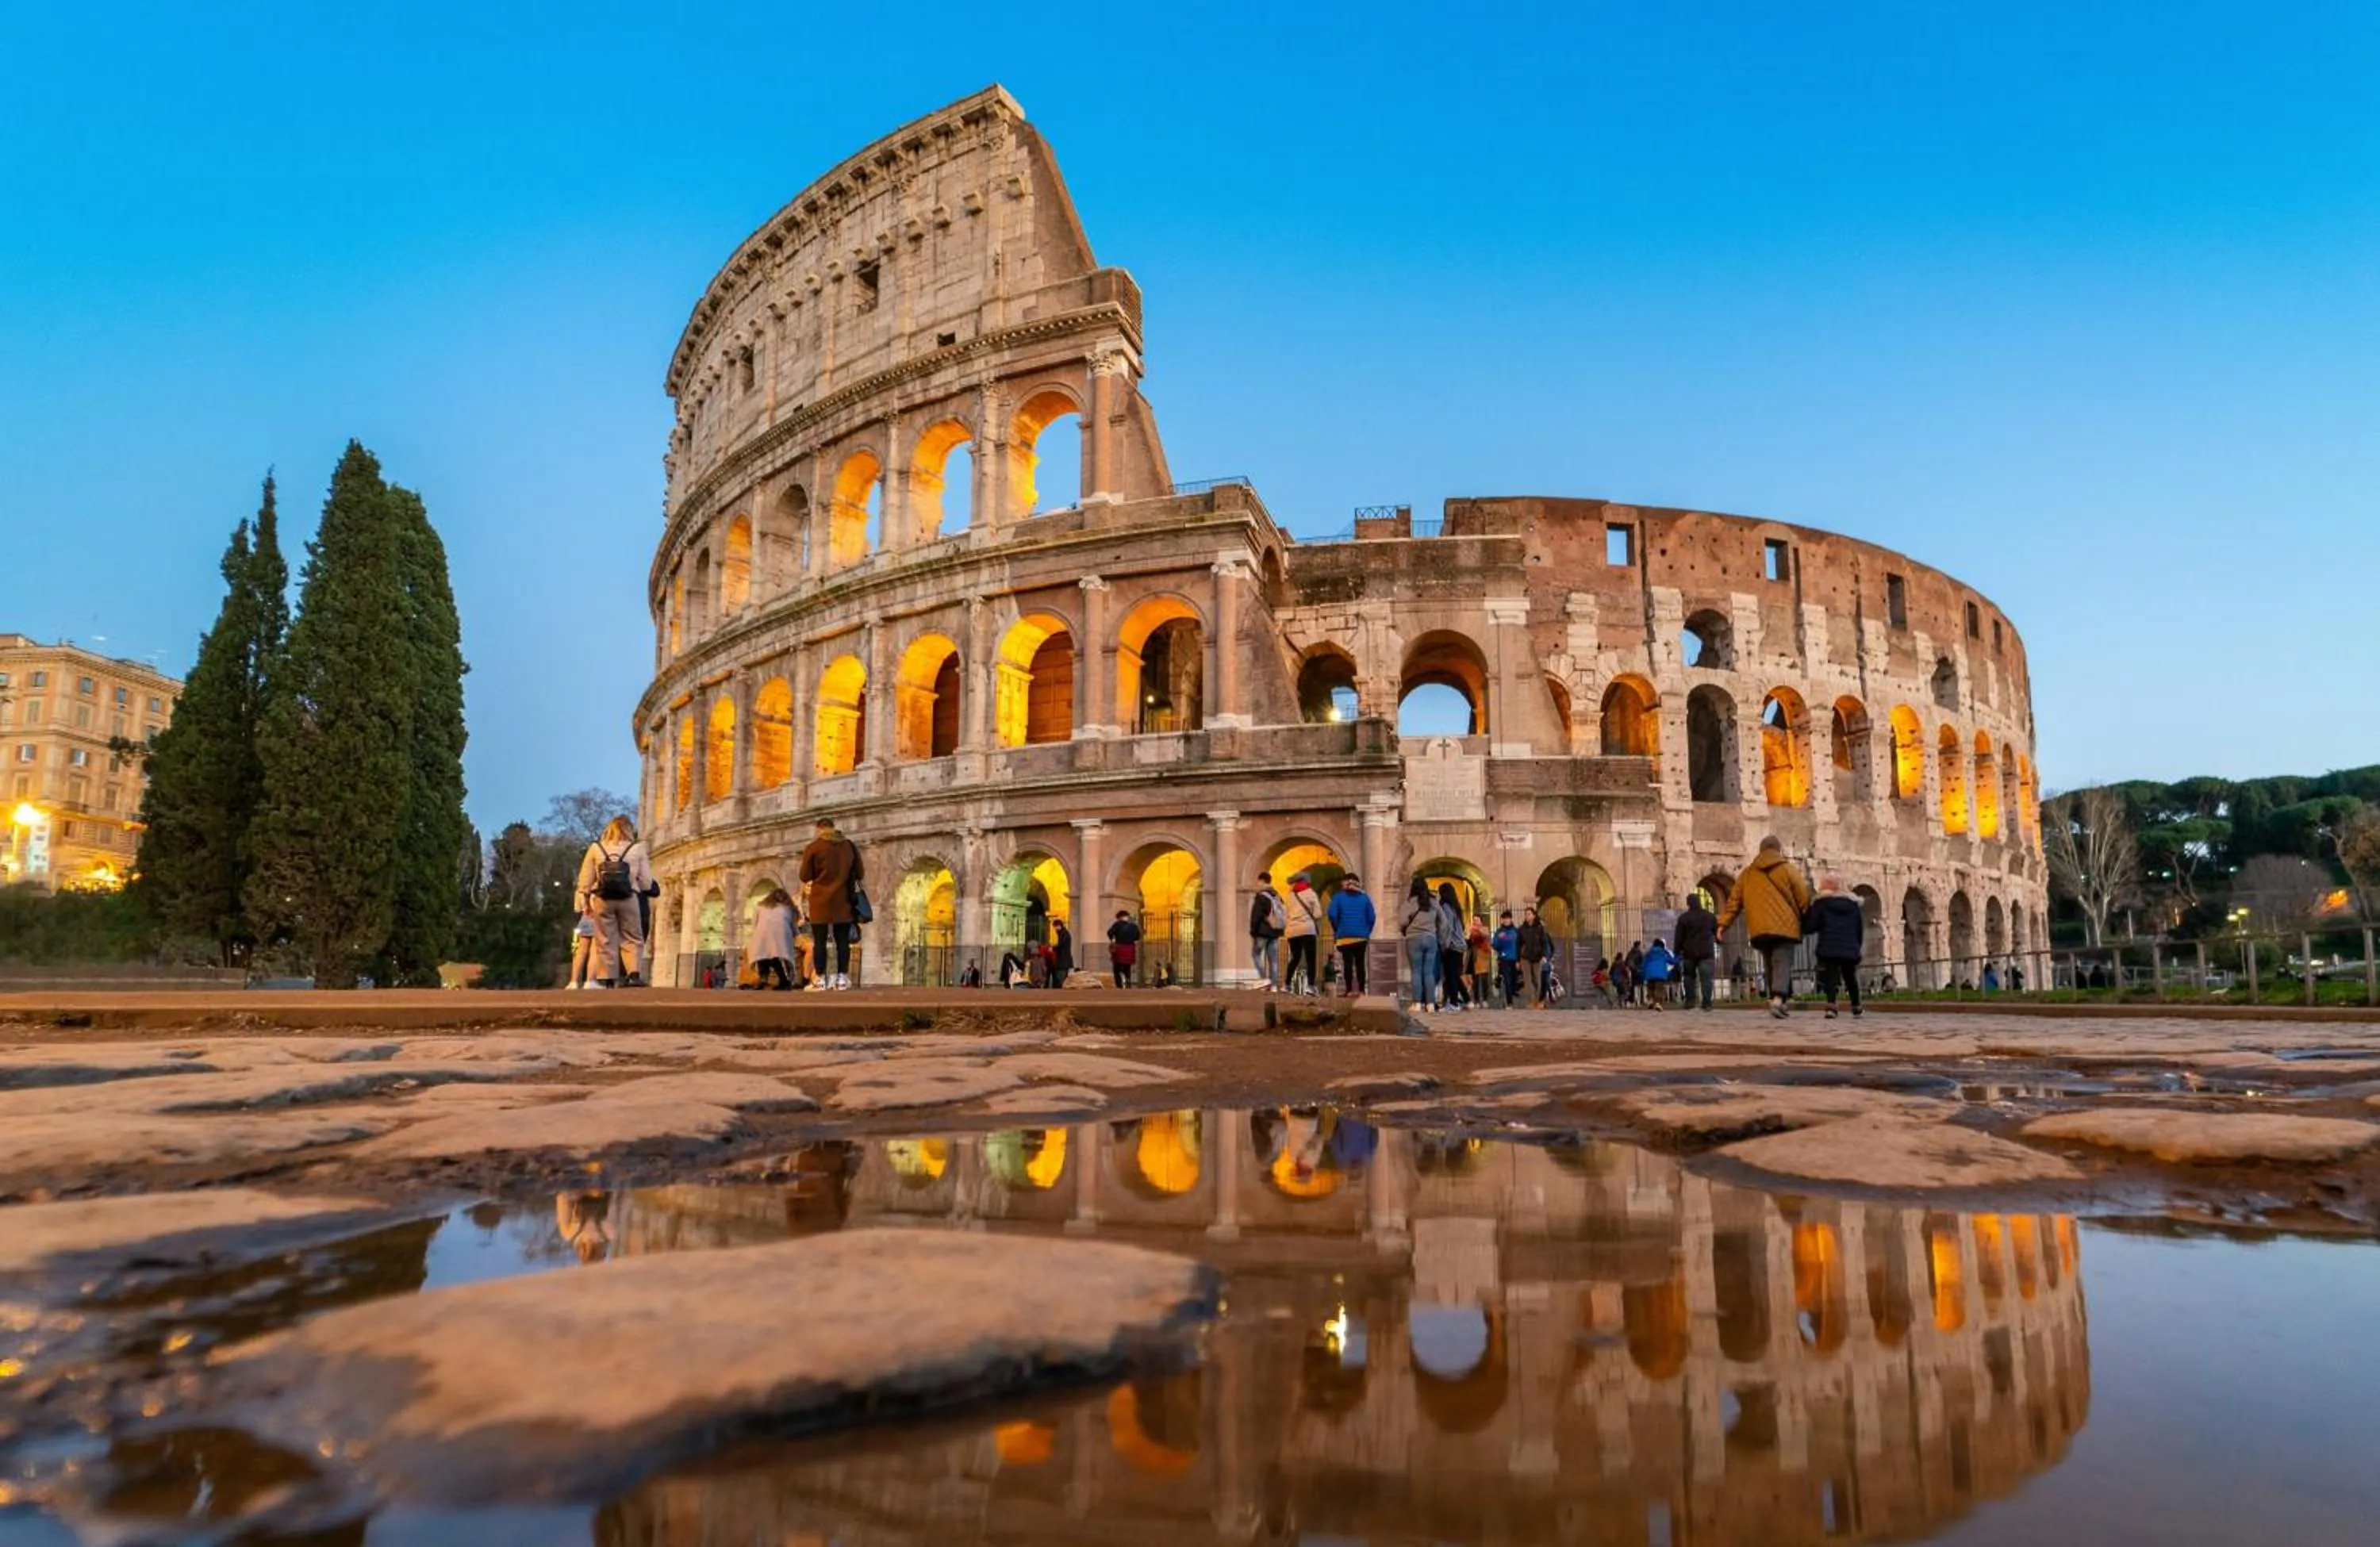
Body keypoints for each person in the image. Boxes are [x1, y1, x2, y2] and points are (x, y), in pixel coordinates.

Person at [1716, 835, 1815, 1019]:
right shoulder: (1787, 869)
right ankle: (1778, 998)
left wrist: (1723, 925)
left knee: (1770, 962)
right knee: (1782, 960)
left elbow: (1734, 902)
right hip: (1785, 927)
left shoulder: (1747, 874)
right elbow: (1803, 895)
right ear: (1779, 850)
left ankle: (1774, 998)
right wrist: (1806, 913)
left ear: (1760, 851)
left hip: (1759, 929)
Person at [576, 816, 654, 989]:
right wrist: (638, 886)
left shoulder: (596, 848)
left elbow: (585, 879)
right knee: (633, 936)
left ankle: (607, 978)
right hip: (628, 897)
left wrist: (585, 901)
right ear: (628, 829)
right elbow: (646, 881)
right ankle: (633, 975)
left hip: (603, 898)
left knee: (605, 938)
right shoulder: (637, 848)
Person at [797, 816, 864, 990]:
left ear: (819, 829)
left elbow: (804, 875)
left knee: (819, 941)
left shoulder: (813, 848)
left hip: (820, 902)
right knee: (843, 941)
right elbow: (860, 872)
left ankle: (819, 979)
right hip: (843, 901)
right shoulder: (849, 846)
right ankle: (841, 978)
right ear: (834, 828)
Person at [1805, 873, 1866, 1018]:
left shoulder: (1821, 903)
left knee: (1830, 977)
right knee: (1850, 977)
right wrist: (1857, 946)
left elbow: (1812, 926)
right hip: (1849, 947)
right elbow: (1859, 928)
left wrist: (1804, 920)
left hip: (1829, 947)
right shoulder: (1853, 905)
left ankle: (1831, 1007)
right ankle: (1856, 1006)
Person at [1398, 877, 1441, 1012]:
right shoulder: (1434, 902)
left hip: (1413, 939)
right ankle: (1430, 1004)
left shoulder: (1409, 903)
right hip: (1431, 938)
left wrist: (1406, 929)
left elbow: (1402, 922)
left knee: (1416, 972)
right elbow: (1444, 921)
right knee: (1428, 972)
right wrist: (1437, 932)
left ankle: (1417, 1003)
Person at [1327, 875, 1376, 996]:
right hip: (1361, 936)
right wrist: (1367, 931)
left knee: (1347, 962)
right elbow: (1372, 917)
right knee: (1360, 963)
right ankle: (1362, 990)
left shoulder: (1338, 897)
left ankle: (1348, 989)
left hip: (1345, 935)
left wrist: (1337, 928)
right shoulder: (1365, 898)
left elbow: (1332, 914)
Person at [1675, 892, 1719, 1012]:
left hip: (1689, 952)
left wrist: (1677, 950)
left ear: (1688, 903)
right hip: (1706, 952)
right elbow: (1717, 933)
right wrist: (1719, 942)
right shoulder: (1710, 916)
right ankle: (1707, 1002)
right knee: (1706, 979)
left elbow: (1679, 937)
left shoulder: (1683, 918)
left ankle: (1690, 1001)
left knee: (1689, 977)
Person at [750, 886, 799, 990]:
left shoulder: (760, 906)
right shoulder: (788, 908)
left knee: (763, 955)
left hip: (762, 935)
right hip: (781, 936)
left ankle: (763, 978)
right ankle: (784, 981)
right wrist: (796, 937)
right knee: (776, 957)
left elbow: (754, 924)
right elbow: (794, 927)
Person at [1284, 873, 1322, 994]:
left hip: (1292, 930)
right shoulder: (1311, 894)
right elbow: (1318, 914)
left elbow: (1286, 914)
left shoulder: (1289, 896)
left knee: (1295, 957)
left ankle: (1287, 984)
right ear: (1307, 882)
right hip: (1307, 930)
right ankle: (1310, 986)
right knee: (1311, 958)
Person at [1247, 870, 1285, 991]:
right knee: (1273, 959)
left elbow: (1256, 915)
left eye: (1258, 882)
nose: (1257, 884)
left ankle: (1264, 980)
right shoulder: (1277, 896)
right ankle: (1274, 985)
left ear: (1262, 881)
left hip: (1262, 931)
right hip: (1275, 931)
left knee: (1256, 954)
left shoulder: (1261, 896)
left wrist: (1253, 931)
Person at [1434, 883, 1468, 1010]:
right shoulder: (1456, 907)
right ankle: (1460, 1000)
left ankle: (1454, 1003)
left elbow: (1447, 927)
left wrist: (1444, 944)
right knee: (1453, 975)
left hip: (1452, 945)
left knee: (1451, 975)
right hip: (1459, 945)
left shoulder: (1446, 907)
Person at [1517, 905, 1553, 1007]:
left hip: (1537, 957)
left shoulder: (1540, 929)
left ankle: (1538, 1000)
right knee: (1527, 980)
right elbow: (1518, 945)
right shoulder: (1521, 929)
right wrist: (1517, 959)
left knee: (1538, 980)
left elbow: (1545, 943)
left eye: (1529, 914)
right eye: (1526, 914)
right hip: (1525, 957)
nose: (1527, 916)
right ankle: (1531, 1001)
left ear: (1533, 916)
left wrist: (1545, 956)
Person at [1491, 911, 1520, 1007]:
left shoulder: (1516, 931)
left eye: (1508, 918)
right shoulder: (1499, 932)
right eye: (1504, 919)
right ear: (1502, 920)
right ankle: (1509, 1002)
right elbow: (1494, 945)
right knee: (1507, 980)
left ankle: (1512, 993)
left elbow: (1519, 945)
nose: (1506, 921)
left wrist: (1518, 959)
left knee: (1513, 980)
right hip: (1504, 958)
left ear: (1511, 919)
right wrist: (1499, 940)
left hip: (1514, 959)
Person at [1107, 908, 1142, 988]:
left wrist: (1113, 939)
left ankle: (1119, 985)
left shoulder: (1117, 924)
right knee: (1127, 967)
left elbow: (1110, 933)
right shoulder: (1134, 926)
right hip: (1130, 948)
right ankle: (1128, 980)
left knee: (1117, 968)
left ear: (1119, 917)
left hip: (1120, 947)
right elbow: (1138, 937)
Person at [565, 911, 597, 990]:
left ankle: (574, 981)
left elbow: (577, 908)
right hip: (599, 917)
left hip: (585, 918)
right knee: (595, 950)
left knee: (580, 951)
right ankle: (590, 981)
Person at [1642, 939, 1676, 1010]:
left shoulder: (1649, 953)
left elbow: (1644, 964)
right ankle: (1658, 1003)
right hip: (1660, 974)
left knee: (1650, 988)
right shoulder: (1664, 953)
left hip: (1650, 974)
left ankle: (1651, 1000)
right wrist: (1679, 957)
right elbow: (1672, 961)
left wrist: (1643, 973)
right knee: (1659, 989)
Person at [1050, 919, 1073, 988]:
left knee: (1061, 976)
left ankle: (1062, 987)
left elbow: (1062, 945)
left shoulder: (1064, 934)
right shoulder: (1063, 933)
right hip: (1063, 959)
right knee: (1061, 975)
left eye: (1055, 927)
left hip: (1063, 959)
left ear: (1059, 926)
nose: (1055, 929)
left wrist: (1054, 948)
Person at [1624, 942, 1647, 1006]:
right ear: (1638, 946)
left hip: (1633, 972)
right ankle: (1641, 1000)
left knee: (1635, 986)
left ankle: (1636, 1000)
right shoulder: (1640, 953)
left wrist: (1631, 969)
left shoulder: (1630, 953)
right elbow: (1643, 962)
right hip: (1639, 971)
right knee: (1641, 986)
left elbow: (1626, 963)